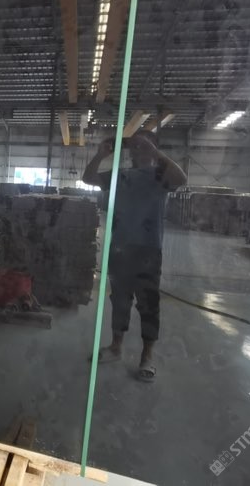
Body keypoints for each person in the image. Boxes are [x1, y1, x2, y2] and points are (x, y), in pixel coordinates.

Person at [82, 129, 187, 382]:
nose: (139, 149)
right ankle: (116, 346)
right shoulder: (121, 175)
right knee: (120, 300)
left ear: (153, 147)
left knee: (148, 304)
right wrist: (101, 154)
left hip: (148, 250)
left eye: (145, 144)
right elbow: (88, 178)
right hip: (120, 248)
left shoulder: (160, 175)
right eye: (135, 145)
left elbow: (181, 179)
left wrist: (155, 153)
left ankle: (147, 356)